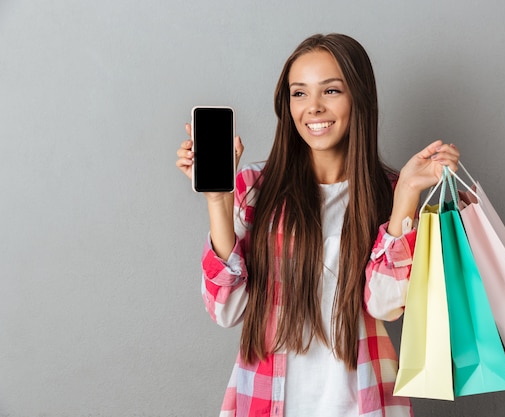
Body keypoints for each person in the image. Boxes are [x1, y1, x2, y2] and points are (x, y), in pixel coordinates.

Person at [176, 33, 459, 417]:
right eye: (299, 93)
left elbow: (385, 305)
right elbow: (226, 310)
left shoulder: (389, 192)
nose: (313, 108)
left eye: (330, 91)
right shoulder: (255, 189)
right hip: (266, 400)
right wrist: (217, 201)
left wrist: (408, 190)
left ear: (359, 97)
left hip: (364, 401)